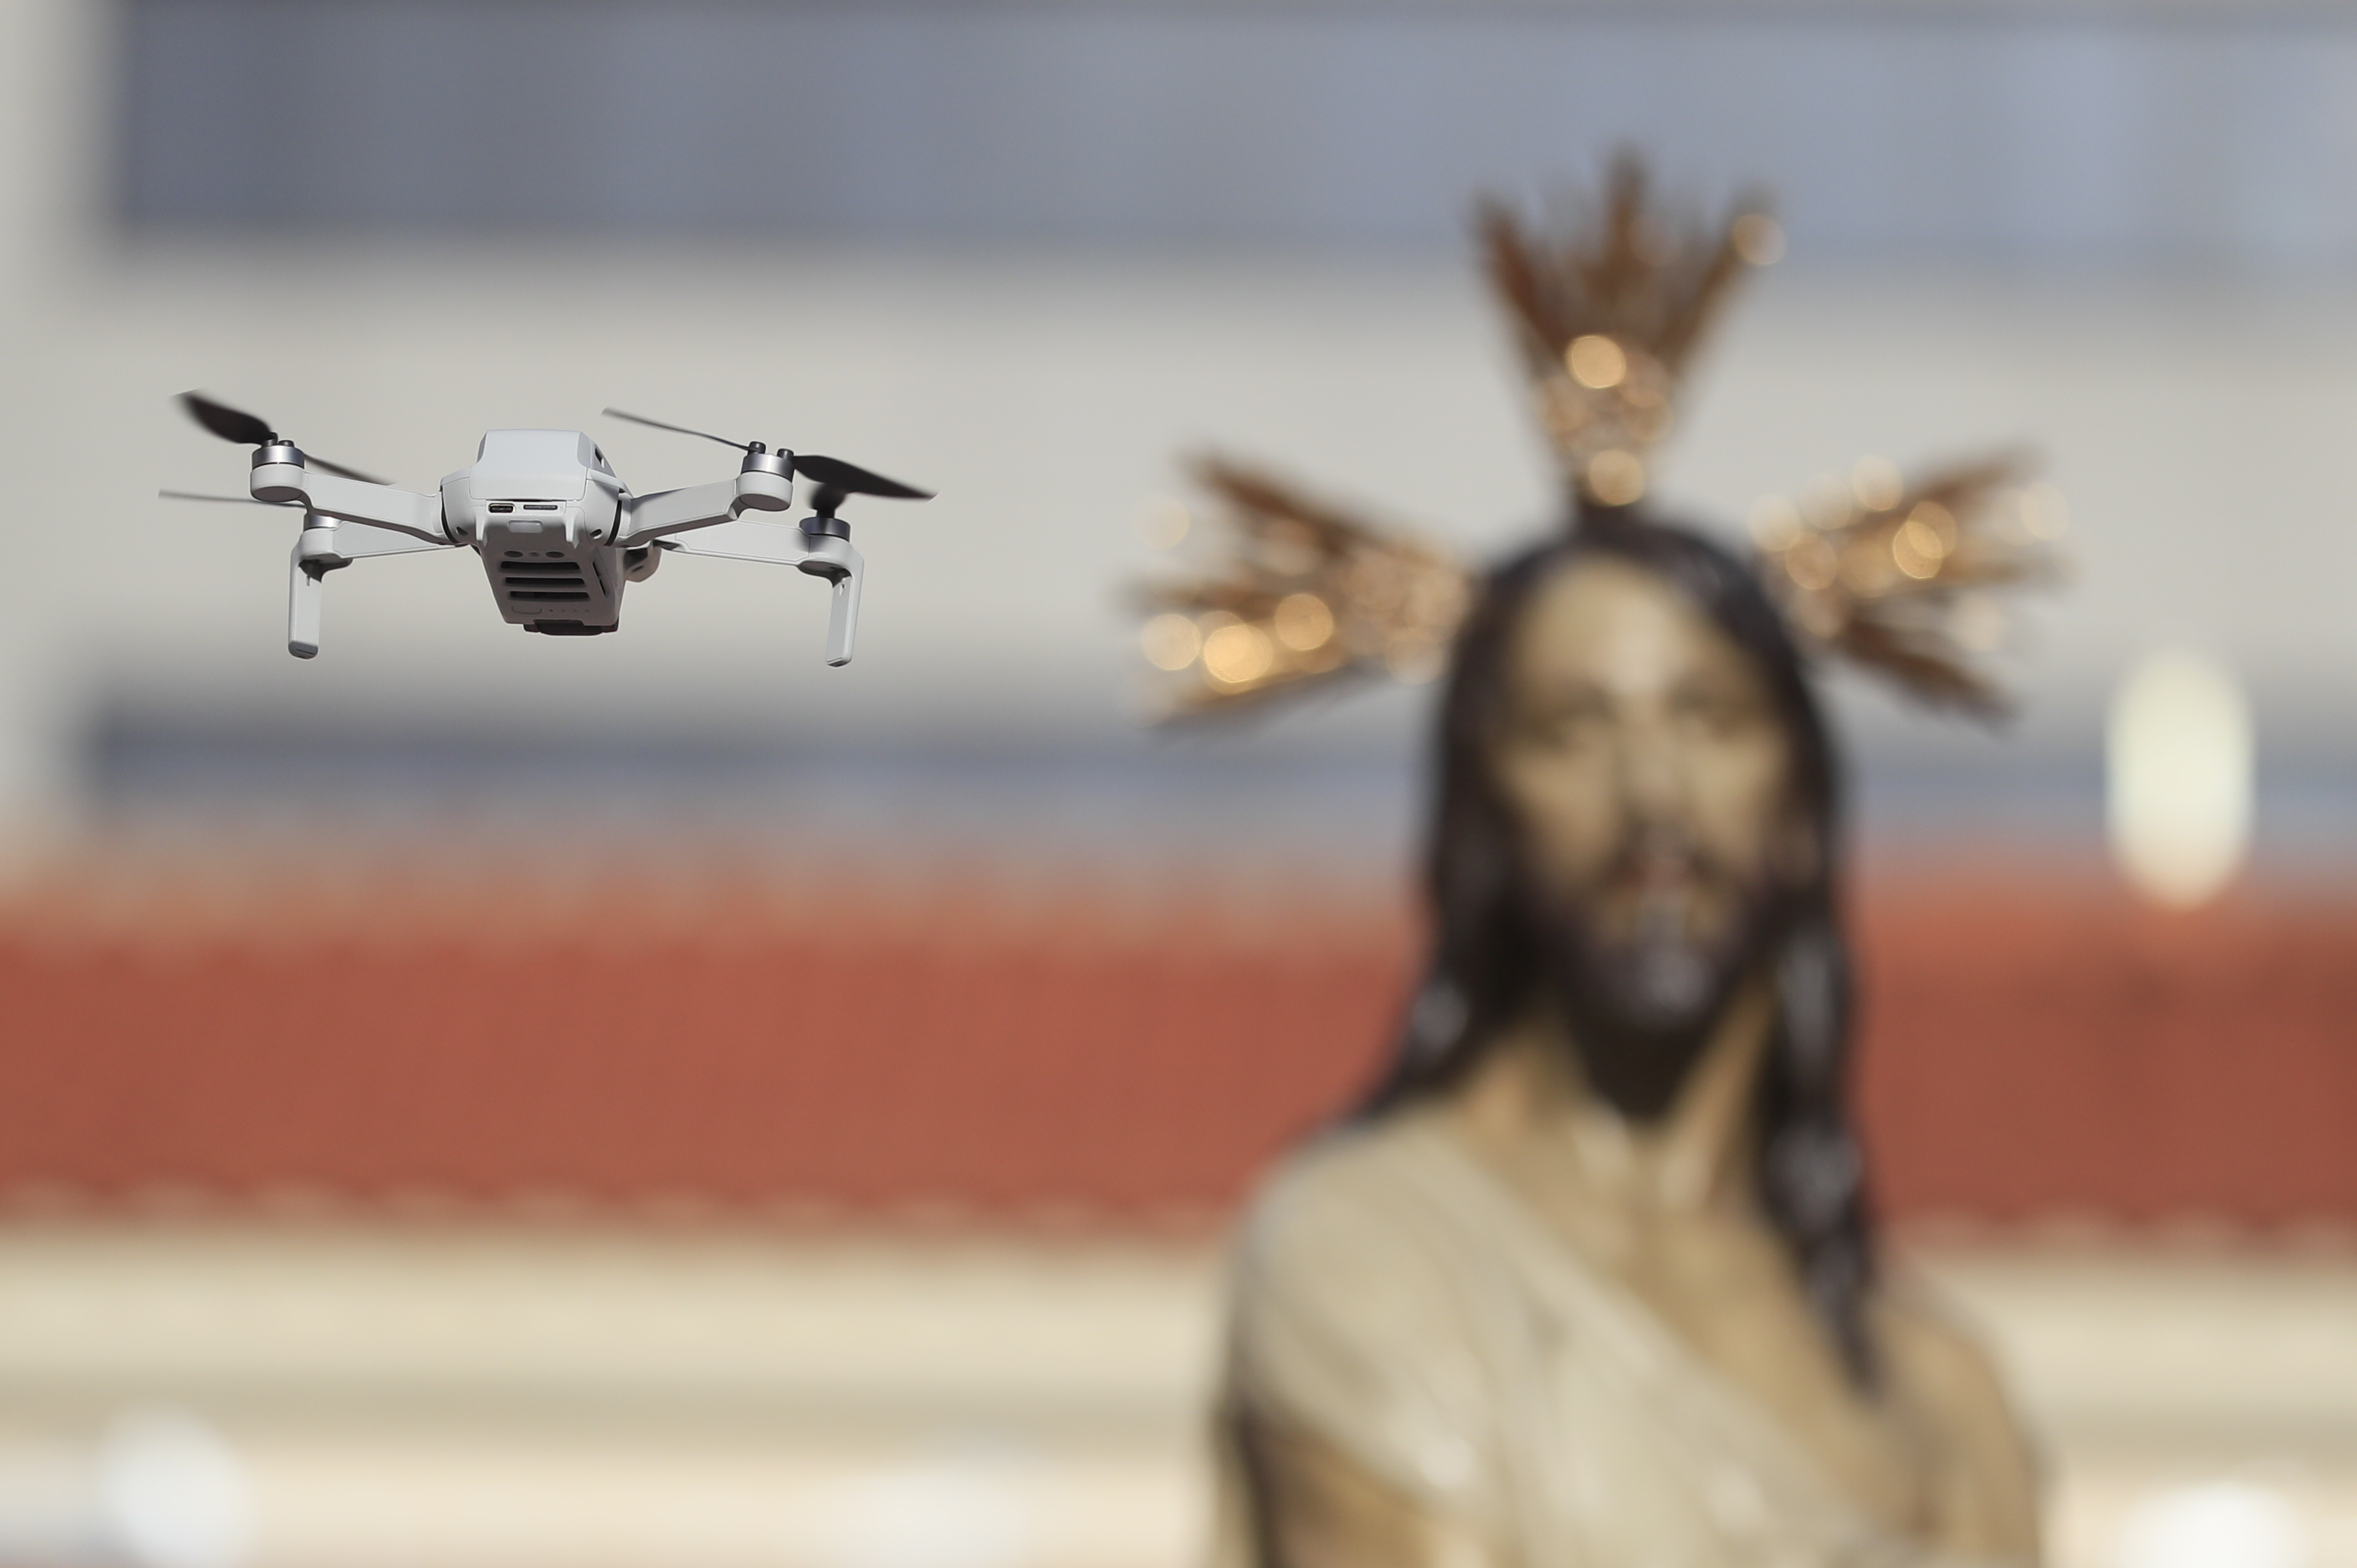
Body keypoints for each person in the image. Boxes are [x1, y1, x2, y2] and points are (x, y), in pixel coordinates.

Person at [1140, 158, 2061, 1568]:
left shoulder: (1942, 1396)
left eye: (1707, 717)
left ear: (1802, 800)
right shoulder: (1375, 1257)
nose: (1650, 793)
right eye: (1573, 729)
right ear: (1482, 815)